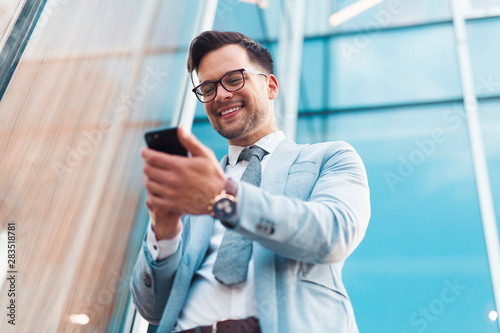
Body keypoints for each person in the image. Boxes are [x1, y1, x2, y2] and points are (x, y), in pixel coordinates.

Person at [130, 30, 370, 333]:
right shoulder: (192, 190)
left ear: (270, 86)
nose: (220, 95)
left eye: (233, 79)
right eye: (207, 88)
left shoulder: (330, 157)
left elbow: (334, 233)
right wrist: (164, 231)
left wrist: (226, 199)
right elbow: (152, 309)